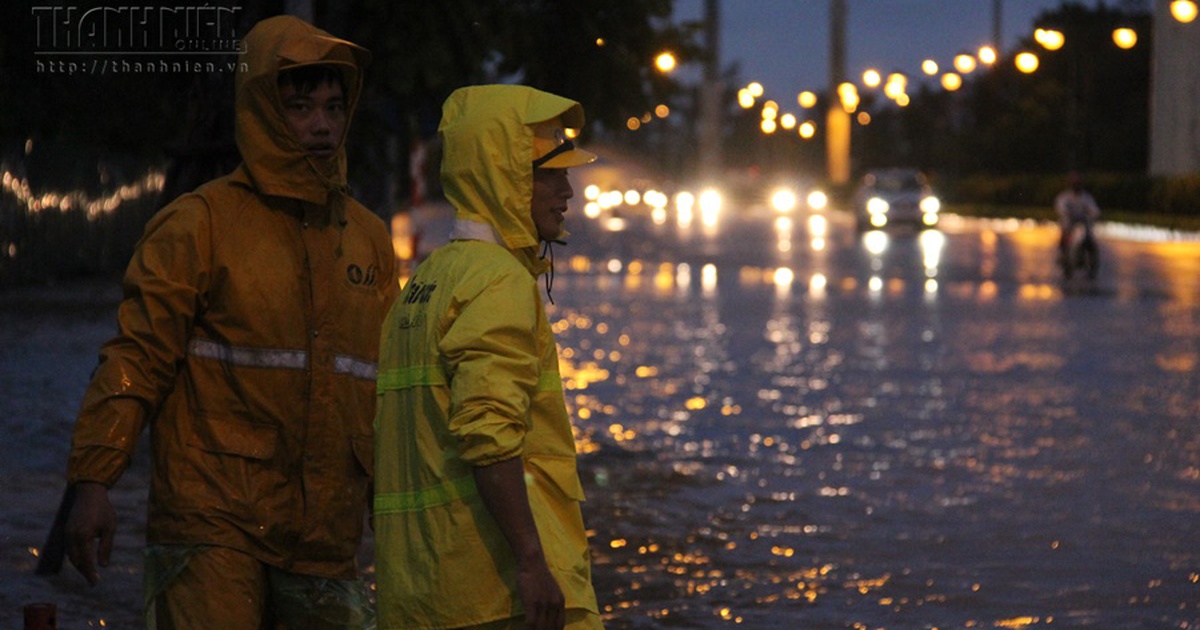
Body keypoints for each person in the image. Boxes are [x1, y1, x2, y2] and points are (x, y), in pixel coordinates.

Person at [59, 15, 396, 628]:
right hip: (210, 523)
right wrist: (94, 480)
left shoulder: (368, 240)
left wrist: (396, 519)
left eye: (333, 106)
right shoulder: (199, 224)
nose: (322, 125)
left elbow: (386, 389)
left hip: (326, 535)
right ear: (264, 112)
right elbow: (137, 358)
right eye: (300, 107)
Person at [373, 84, 604, 630]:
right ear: (506, 178)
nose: (567, 191)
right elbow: (488, 433)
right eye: (550, 174)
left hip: (422, 597)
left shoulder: (427, 281)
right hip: (493, 597)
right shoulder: (500, 282)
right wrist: (531, 562)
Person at [1054, 171, 1101, 278]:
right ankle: (1064, 257)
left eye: (1078, 182)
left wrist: (1095, 215)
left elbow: (1094, 209)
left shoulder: (1086, 197)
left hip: (1083, 225)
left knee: (1091, 243)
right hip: (1069, 225)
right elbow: (1061, 208)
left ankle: (1091, 264)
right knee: (1064, 240)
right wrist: (1067, 214)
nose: (1076, 185)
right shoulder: (1064, 197)